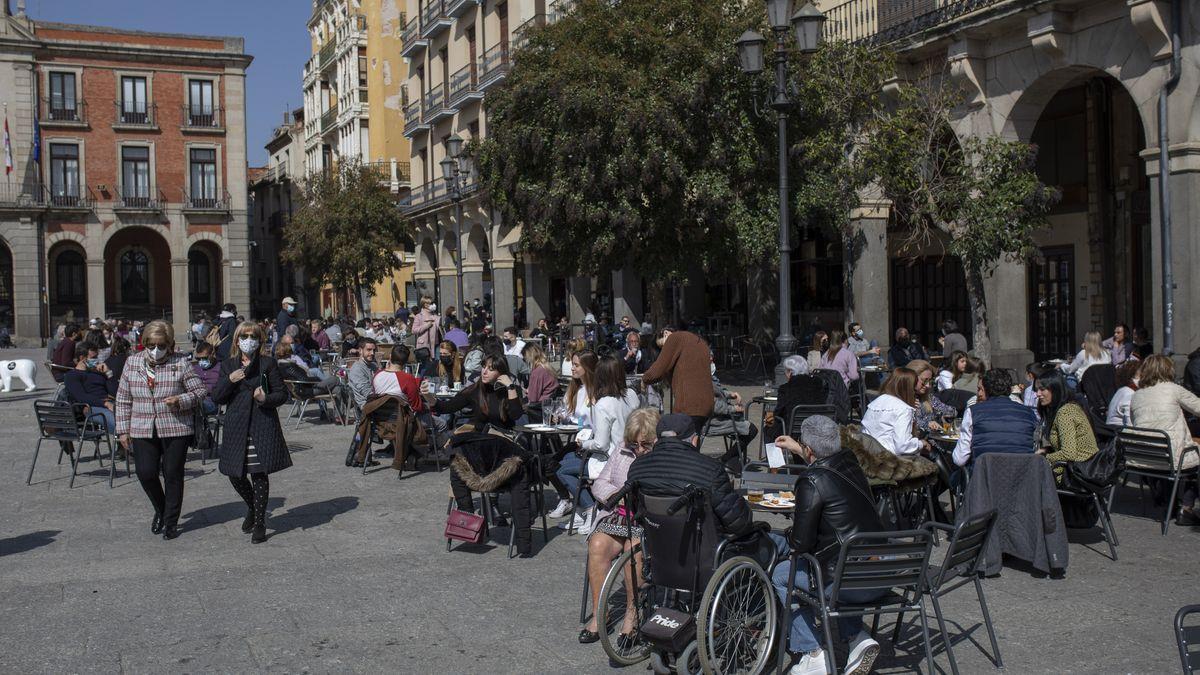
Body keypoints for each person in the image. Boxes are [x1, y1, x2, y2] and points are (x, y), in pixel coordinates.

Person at [771, 416, 885, 675]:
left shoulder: (811, 481)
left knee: (782, 575)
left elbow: (800, 543)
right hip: (878, 574)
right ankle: (858, 638)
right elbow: (826, 460)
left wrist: (789, 539)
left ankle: (813, 654)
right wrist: (799, 449)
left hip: (844, 583)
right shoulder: (850, 461)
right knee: (838, 562)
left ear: (810, 450)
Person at [114, 320, 209, 541]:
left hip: (175, 426)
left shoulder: (181, 363)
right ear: (144, 344)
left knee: (172, 473)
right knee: (145, 472)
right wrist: (122, 430)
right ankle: (161, 508)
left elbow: (200, 392)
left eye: (162, 346)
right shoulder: (132, 363)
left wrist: (181, 400)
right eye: (151, 345)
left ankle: (171, 521)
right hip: (142, 426)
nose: (156, 350)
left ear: (170, 345)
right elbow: (123, 399)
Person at [579, 406, 660, 644]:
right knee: (597, 544)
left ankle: (631, 615)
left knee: (633, 551)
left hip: (645, 520)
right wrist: (616, 493)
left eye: (645, 444)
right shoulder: (622, 451)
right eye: (634, 444)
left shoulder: (659, 457)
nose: (639, 450)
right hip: (617, 514)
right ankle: (600, 612)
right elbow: (599, 482)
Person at [211, 321, 291, 544]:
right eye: (244, 336)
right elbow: (217, 396)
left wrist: (265, 399)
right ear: (237, 340)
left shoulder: (268, 363)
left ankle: (260, 523)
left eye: (253, 336)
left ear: (260, 340)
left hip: (261, 423)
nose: (249, 340)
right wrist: (230, 380)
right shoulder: (228, 365)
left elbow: (282, 394)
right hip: (237, 426)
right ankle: (252, 507)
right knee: (234, 474)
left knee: (258, 473)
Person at [625, 414, 751, 536]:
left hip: (657, 546)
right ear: (695, 440)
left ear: (657, 440)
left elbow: (637, 512)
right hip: (702, 550)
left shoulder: (637, 468)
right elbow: (739, 523)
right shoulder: (711, 469)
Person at [556, 356, 637, 535]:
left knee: (561, 470)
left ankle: (589, 507)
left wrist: (583, 443)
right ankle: (580, 510)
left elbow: (601, 444)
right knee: (567, 459)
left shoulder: (604, 404)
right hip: (633, 453)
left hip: (611, 459)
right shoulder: (631, 395)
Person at [1129, 354, 1200, 524]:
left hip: (1144, 458)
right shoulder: (1173, 389)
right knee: (1190, 453)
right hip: (1171, 458)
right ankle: (1186, 507)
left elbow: (1134, 421)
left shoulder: (1137, 395)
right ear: (1168, 370)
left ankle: (1171, 503)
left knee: (1170, 449)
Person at [952, 369, 1039, 467]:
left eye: (980, 389)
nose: (979, 393)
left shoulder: (973, 412)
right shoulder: (1028, 413)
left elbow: (959, 459)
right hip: (1022, 477)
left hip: (983, 478)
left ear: (986, 389)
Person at [642, 328, 714, 431]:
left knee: (682, 444)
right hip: (706, 404)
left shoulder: (674, 338)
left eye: (663, 346)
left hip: (689, 406)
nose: (664, 350)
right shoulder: (698, 341)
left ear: (666, 333)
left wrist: (644, 379)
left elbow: (657, 371)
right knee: (693, 441)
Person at [1033, 370, 1099, 483]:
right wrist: (1047, 450)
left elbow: (1069, 453)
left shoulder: (1065, 413)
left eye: (1042, 389)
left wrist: (1043, 457)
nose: (1038, 394)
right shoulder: (1068, 407)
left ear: (1055, 389)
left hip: (1079, 473)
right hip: (1081, 467)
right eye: (1037, 390)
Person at [861, 367, 930, 456]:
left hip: (867, 454)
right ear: (909, 388)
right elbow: (902, 446)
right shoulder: (903, 409)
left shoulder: (877, 401)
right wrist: (921, 443)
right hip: (888, 460)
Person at [275, 341, 347, 424]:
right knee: (336, 379)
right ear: (287, 352)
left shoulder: (281, 365)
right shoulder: (289, 366)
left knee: (337, 389)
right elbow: (303, 379)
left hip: (301, 390)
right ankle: (348, 403)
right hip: (306, 391)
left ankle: (339, 417)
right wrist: (317, 379)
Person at [708, 364, 758, 472]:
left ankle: (730, 461)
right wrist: (734, 408)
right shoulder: (704, 380)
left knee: (744, 429)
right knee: (751, 430)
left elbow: (719, 392)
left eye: (712, 357)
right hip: (714, 422)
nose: (712, 360)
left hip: (719, 418)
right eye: (709, 358)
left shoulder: (709, 378)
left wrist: (730, 394)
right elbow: (714, 406)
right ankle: (724, 460)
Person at [765, 355, 828, 439]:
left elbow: (778, 413)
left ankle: (777, 452)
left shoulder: (786, 388)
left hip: (793, 432)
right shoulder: (820, 385)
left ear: (790, 372)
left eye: (786, 372)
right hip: (817, 429)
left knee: (768, 430)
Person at [63, 341, 116, 432]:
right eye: (93, 357)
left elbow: (115, 392)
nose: (97, 360)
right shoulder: (72, 375)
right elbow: (82, 397)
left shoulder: (98, 373)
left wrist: (108, 373)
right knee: (117, 423)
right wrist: (105, 404)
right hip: (91, 406)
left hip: (109, 403)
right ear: (82, 358)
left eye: (97, 357)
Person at [906, 360, 958, 433]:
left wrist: (943, 415)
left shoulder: (928, 397)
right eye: (924, 380)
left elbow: (951, 411)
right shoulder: (901, 400)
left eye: (929, 381)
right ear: (911, 378)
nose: (927, 385)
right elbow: (907, 424)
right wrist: (927, 424)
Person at [346, 337, 380, 411]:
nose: (372, 353)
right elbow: (367, 392)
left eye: (374, 350)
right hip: (366, 405)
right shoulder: (357, 368)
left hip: (376, 400)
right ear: (360, 351)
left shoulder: (374, 365)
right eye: (369, 350)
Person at [1106, 359, 1140, 427]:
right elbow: (1130, 423)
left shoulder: (1121, 391)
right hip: (1120, 433)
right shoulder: (1129, 394)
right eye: (1141, 376)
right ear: (1132, 378)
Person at [191, 342, 221, 414]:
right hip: (195, 399)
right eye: (198, 358)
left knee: (197, 405)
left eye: (204, 358)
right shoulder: (194, 368)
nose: (201, 361)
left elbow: (221, 389)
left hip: (211, 402)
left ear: (212, 355)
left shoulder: (221, 368)